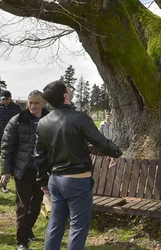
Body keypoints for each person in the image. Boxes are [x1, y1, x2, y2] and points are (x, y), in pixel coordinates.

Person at [35, 81, 122, 250]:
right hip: (77, 180)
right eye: (68, 88)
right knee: (78, 226)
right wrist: (116, 152)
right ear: (65, 96)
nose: (70, 89)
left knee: (55, 223)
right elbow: (100, 142)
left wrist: (43, 182)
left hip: (55, 180)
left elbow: (39, 156)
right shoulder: (80, 117)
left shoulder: (43, 122)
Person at [1, 90, 48, 250]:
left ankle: (27, 230)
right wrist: (6, 171)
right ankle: (21, 241)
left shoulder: (51, 120)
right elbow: (7, 147)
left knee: (36, 206)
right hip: (22, 170)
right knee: (23, 206)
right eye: (30, 102)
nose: (33, 106)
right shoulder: (17, 120)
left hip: (42, 170)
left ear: (44, 103)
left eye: (36, 103)